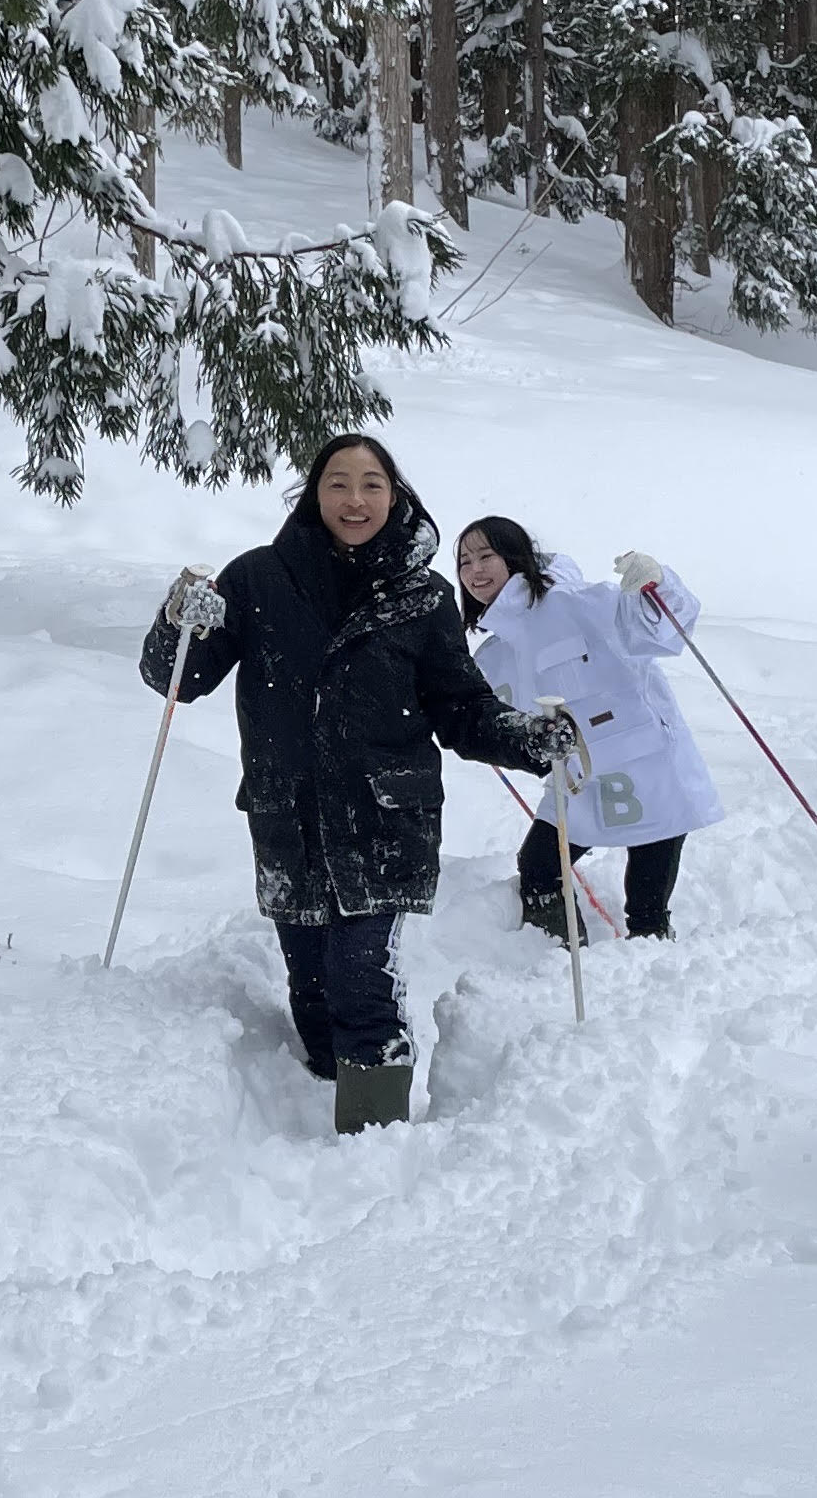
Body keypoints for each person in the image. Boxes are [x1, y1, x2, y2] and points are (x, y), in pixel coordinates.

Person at [138, 435, 572, 1134]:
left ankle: (373, 1138)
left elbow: (460, 708)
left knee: (360, 977)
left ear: (394, 495)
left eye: (372, 484)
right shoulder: (257, 580)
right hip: (289, 817)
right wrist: (177, 623)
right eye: (338, 483)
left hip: (385, 821)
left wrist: (526, 740)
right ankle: (319, 1093)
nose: (355, 499)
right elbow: (178, 677)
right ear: (315, 494)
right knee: (309, 988)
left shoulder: (423, 596)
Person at [456, 518, 724, 940]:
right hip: (578, 780)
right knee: (540, 866)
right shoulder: (494, 651)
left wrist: (656, 583)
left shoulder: (578, 603)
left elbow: (661, 631)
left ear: (515, 557)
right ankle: (559, 958)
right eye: (465, 562)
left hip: (649, 768)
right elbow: (473, 711)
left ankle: (655, 976)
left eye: (486, 555)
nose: (474, 570)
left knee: (646, 909)